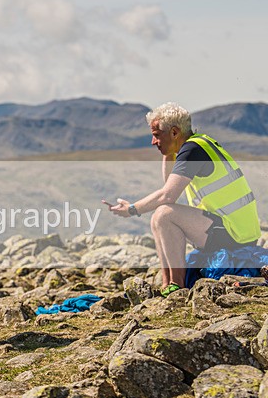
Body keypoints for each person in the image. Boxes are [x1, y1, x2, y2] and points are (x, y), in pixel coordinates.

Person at [107, 102, 260, 296]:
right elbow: (168, 186)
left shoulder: (193, 150)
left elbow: (167, 195)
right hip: (234, 228)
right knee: (158, 217)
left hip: (236, 234)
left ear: (174, 132)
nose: (153, 142)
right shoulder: (195, 145)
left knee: (164, 215)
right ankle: (167, 285)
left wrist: (132, 209)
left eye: (156, 135)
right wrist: (169, 152)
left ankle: (177, 287)